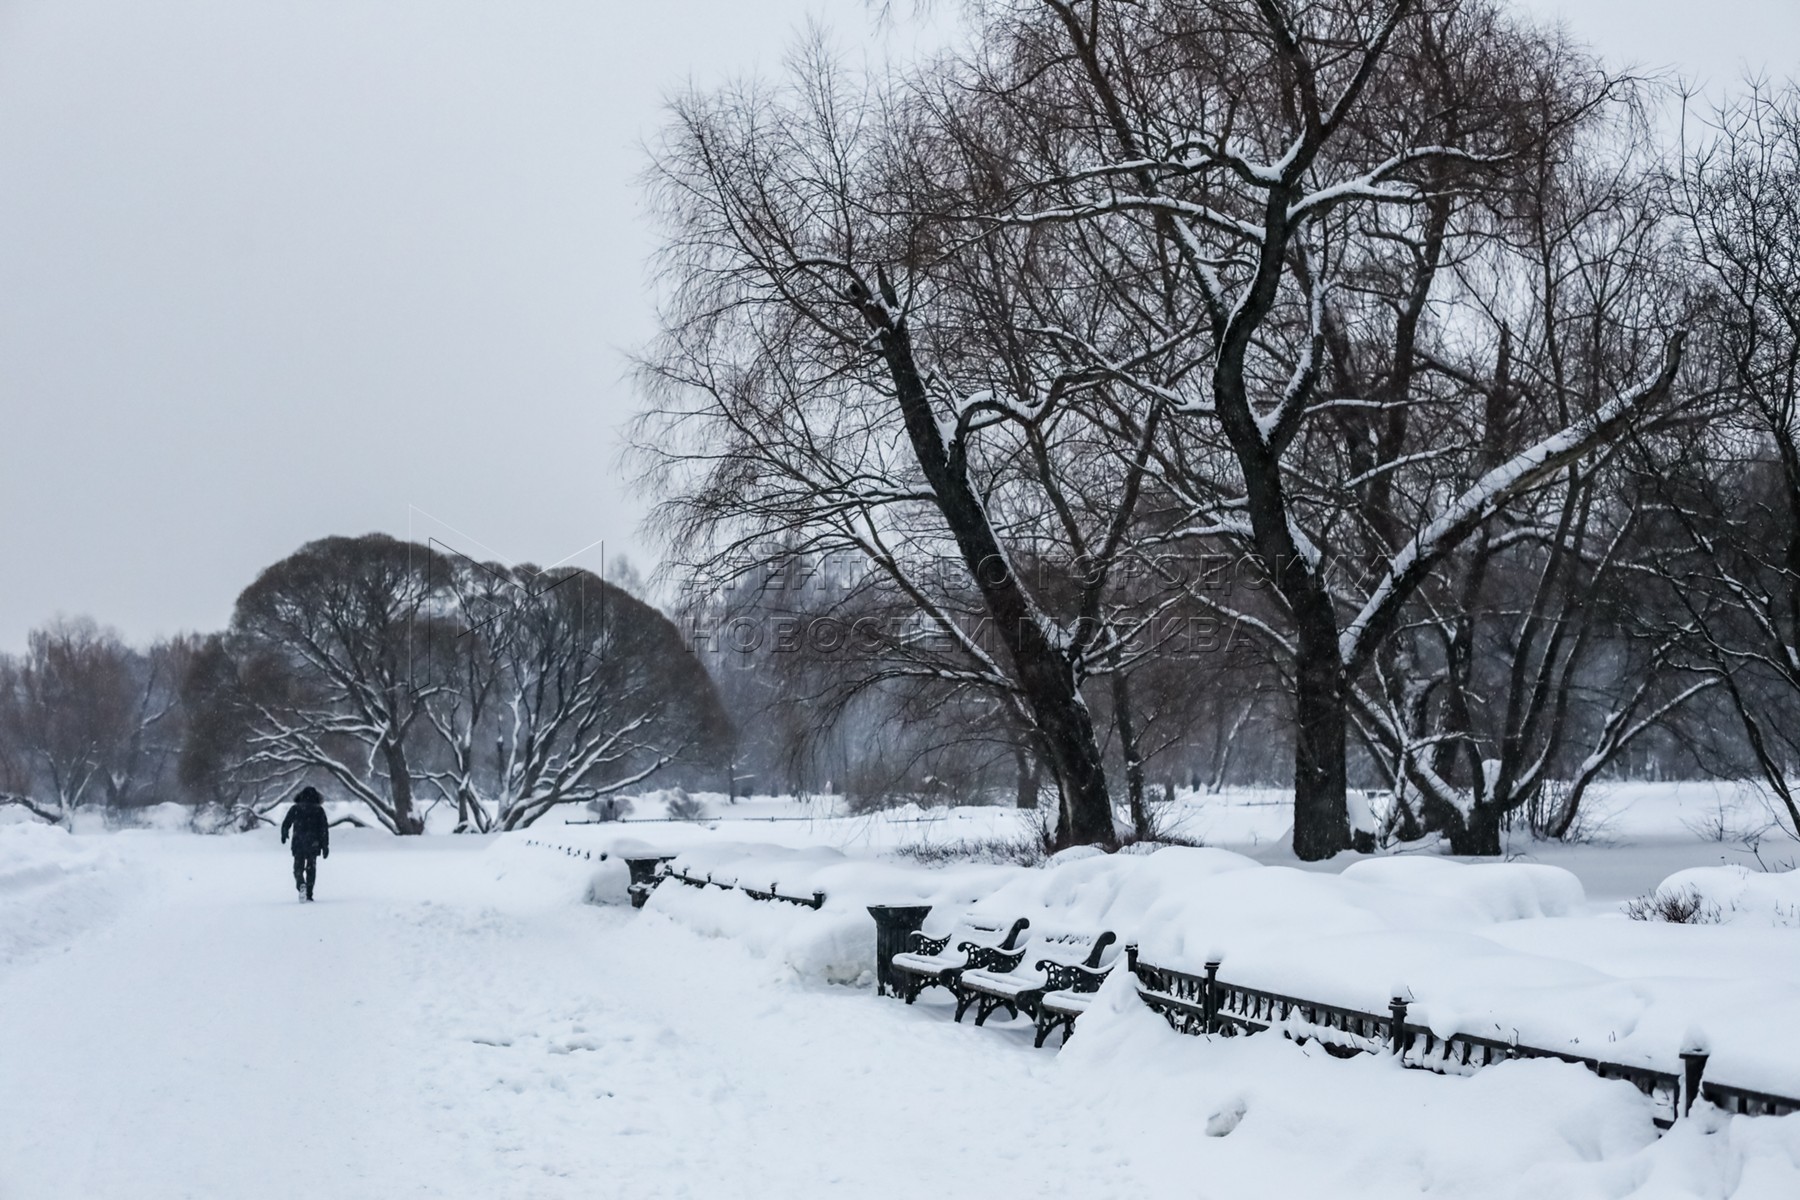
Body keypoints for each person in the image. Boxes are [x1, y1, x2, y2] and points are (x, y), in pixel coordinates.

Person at [279, 786, 330, 901]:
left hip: (298, 842)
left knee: (298, 867)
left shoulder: (295, 808)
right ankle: (309, 893)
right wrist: (325, 846)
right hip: (314, 843)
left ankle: (301, 883)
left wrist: (284, 833)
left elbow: (286, 823)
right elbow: (323, 829)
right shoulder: (319, 810)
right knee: (311, 868)